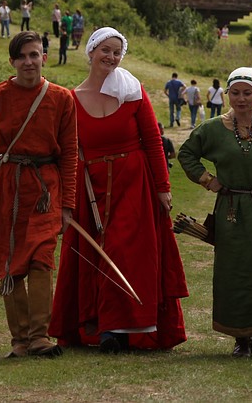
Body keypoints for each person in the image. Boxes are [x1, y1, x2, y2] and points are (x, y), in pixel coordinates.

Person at [51, 27, 188, 353]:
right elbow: (68, 151)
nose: (110, 57)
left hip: (134, 183)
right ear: (92, 52)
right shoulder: (71, 99)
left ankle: (122, 329)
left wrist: (162, 187)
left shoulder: (133, 92)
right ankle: (99, 325)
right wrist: (67, 198)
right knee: (95, 256)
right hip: (91, 188)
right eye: (105, 50)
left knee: (126, 253)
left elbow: (154, 141)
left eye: (116, 52)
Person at [178, 67, 252, 357]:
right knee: (236, 272)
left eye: (247, 93)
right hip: (233, 211)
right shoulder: (214, 127)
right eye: (235, 93)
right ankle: (240, 338)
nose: (241, 99)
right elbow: (186, 154)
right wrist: (209, 180)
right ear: (227, 94)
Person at [0, 31, 79, 358]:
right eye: (22, 56)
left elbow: (70, 155)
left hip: (46, 189)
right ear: (12, 62)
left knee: (41, 258)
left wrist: (67, 206)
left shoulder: (62, 99)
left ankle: (39, 337)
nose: (28, 62)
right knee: (10, 263)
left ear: (44, 58)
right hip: (8, 187)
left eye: (34, 55)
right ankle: (19, 341)